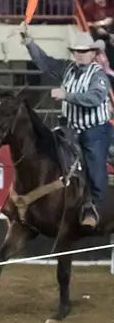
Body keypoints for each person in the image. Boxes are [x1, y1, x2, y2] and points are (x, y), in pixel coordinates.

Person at [20, 23, 112, 229]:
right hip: (70, 126)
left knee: (94, 162)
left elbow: (95, 98)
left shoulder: (99, 76)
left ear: (93, 54)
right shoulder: (67, 68)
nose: (79, 54)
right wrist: (28, 41)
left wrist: (66, 95)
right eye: (76, 51)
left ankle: (93, 206)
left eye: (83, 51)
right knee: (48, 151)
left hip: (95, 130)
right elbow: (45, 62)